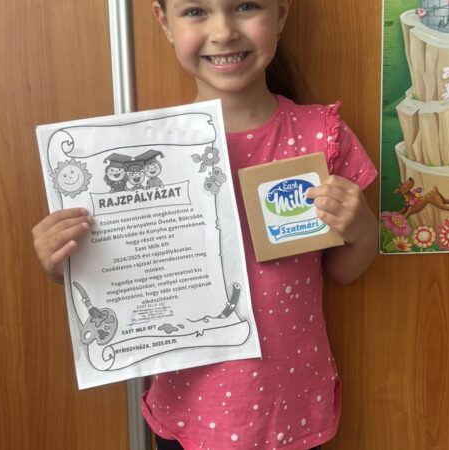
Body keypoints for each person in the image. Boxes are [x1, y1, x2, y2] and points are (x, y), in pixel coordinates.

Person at [31, 0, 379, 448]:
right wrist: (62, 261)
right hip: (187, 411)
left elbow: (343, 270)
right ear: (165, 23)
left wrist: (361, 228)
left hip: (290, 407)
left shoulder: (319, 134)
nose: (223, 31)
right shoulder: (140, 153)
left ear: (281, 13)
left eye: (245, 6)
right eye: (196, 11)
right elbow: (118, 281)